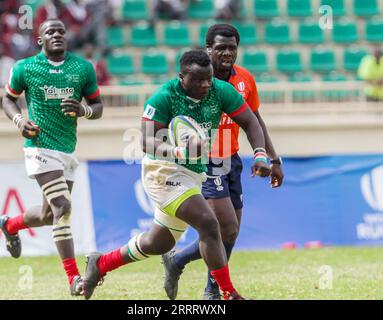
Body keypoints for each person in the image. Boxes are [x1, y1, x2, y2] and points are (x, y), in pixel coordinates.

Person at [83, 49, 271, 300]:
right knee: (209, 223)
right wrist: (180, 151)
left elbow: (250, 121)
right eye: (198, 80)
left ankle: (101, 264)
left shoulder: (220, 90)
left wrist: (260, 153)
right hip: (163, 171)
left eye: (208, 78)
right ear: (182, 76)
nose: (205, 85)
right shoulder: (163, 97)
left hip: (194, 173)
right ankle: (227, 294)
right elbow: (147, 142)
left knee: (159, 243)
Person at [162, 23, 284, 300]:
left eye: (232, 48)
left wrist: (271, 156)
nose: (227, 53)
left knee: (231, 231)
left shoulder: (245, 80)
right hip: (206, 160)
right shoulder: (194, 81)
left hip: (232, 158)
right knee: (224, 226)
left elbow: (254, 120)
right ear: (208, 50)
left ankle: (178, 261)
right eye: (220, 48)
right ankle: (212, 291)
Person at [0, 19, 103, 296]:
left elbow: (97, 106)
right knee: (63, 208)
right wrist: (20, 121)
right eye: (50, 32)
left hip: (67, 149)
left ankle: (9, 225)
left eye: (61, 31)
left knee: (48, 215)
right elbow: (7, 99)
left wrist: (84, 111)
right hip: (39, 146)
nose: (57, 34)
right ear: (40, 40)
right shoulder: (25, 68)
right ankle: (74, 279)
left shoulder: (83, 68)